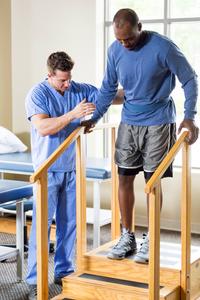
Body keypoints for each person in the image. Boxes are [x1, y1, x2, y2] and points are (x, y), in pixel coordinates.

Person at [88, 8, 199, 264]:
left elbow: (190, 79)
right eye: (120, 39)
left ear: (140, 26)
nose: (125, 44)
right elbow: (107, 88)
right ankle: (127, 235)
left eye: (129, 38)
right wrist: (94, 118)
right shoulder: (115, 51)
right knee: (124, 178)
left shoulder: (163, 47)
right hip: (129, 121)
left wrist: (189, 117)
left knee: (152, 183)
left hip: (159, 122)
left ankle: (151, 238)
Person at [25, 51, 96, 300]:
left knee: (69, 225)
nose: (67, 84)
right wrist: (74, 116)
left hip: (72, 168)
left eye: (69, 79)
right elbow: (43, 128)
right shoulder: (38, 94)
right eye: (61, 81)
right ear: (49, 75)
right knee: (42, 228)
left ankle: (63, 272)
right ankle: (35, 280)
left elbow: (109, 96)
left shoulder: (78, 89)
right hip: (47, 170)